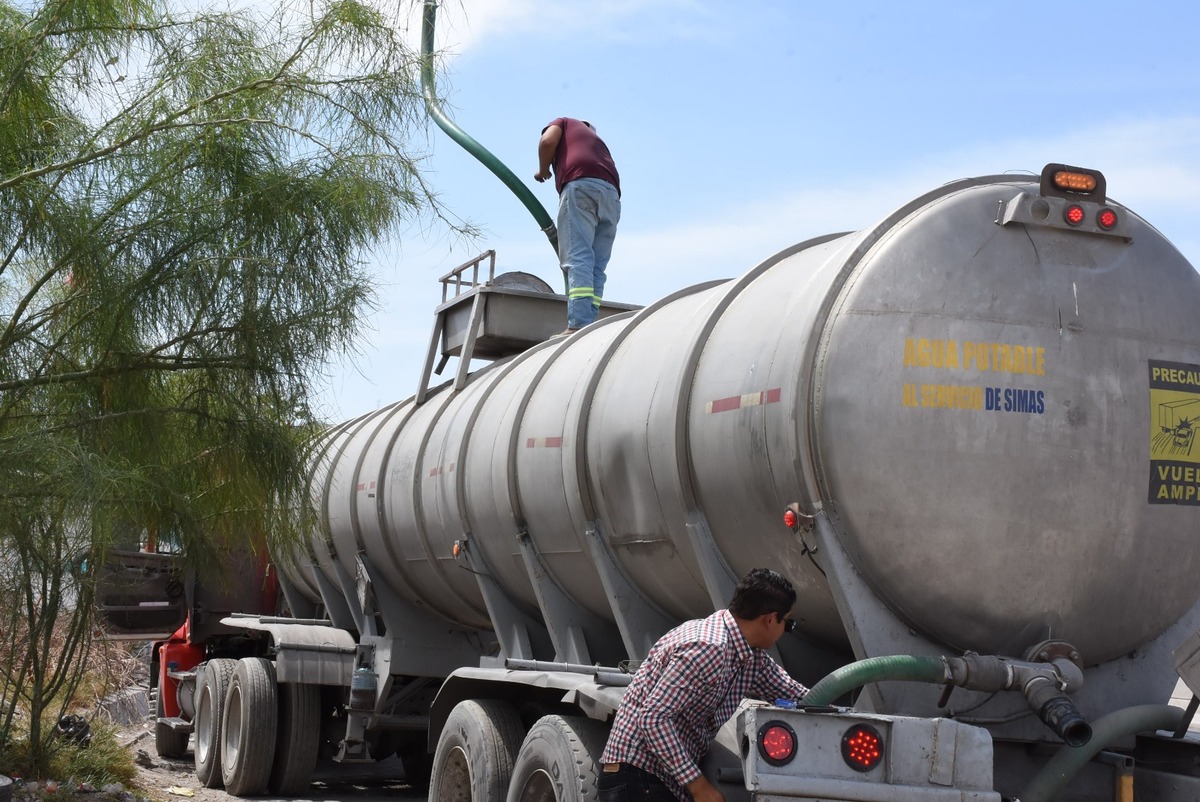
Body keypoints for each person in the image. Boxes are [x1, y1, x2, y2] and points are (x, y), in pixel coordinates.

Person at [598, 568, 810, 802]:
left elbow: (802, 698)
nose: (785, 631)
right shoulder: (707, 647)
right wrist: (699, 786)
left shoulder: (750, 657)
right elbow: (653, 719)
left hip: (660, 779)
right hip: (637, 775)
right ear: (770, 619)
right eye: (788, 624)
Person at [534, 117, 621, 334]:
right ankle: (589, 322)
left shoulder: (564, 122)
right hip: (612, 195)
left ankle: (579, 325)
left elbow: (547, 142)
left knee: (578, 258)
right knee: (596, 266)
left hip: (581, 186)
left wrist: (543, 169)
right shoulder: (597, 144)